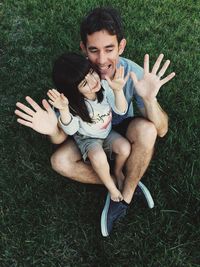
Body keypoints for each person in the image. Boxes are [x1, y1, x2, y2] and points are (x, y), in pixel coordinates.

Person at [15, 7, 175, 237]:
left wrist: (149, 100)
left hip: (119, 127)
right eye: (93, 50)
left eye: (109, 49)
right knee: (59, 161)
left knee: (147, 130)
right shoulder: (72, 79)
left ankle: (126, 195)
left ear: (121, 46)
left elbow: (161, 130)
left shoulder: (132, 73)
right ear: (83, 49)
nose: (101, 61)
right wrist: (52, 129)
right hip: (87, 135)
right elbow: (62, 136)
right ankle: (115, 183)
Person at [48, 52, 131, 201]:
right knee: (98, 156)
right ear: (74, 91)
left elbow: (121, 110)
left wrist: (118, 91)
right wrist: (64, 110)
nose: (93, 81)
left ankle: (118, 172)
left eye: (91, 73)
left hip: (106, 132)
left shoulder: (105, 86)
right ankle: (111, 187)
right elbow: (71, 130)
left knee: (125, 148)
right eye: (84, 83)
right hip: (88, 138)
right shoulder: (73, 105)